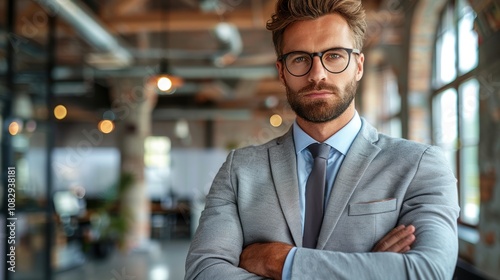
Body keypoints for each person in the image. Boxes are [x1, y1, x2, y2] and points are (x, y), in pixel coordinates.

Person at [185, 0, 460, 279]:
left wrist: (279, 261)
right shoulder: (239, 170)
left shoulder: (420, 165)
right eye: (300, 59)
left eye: (334, 56)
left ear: (359, 66)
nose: (317, 75)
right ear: (282, 72)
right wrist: (368, 269)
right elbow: (203, 272)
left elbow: (428, 271)